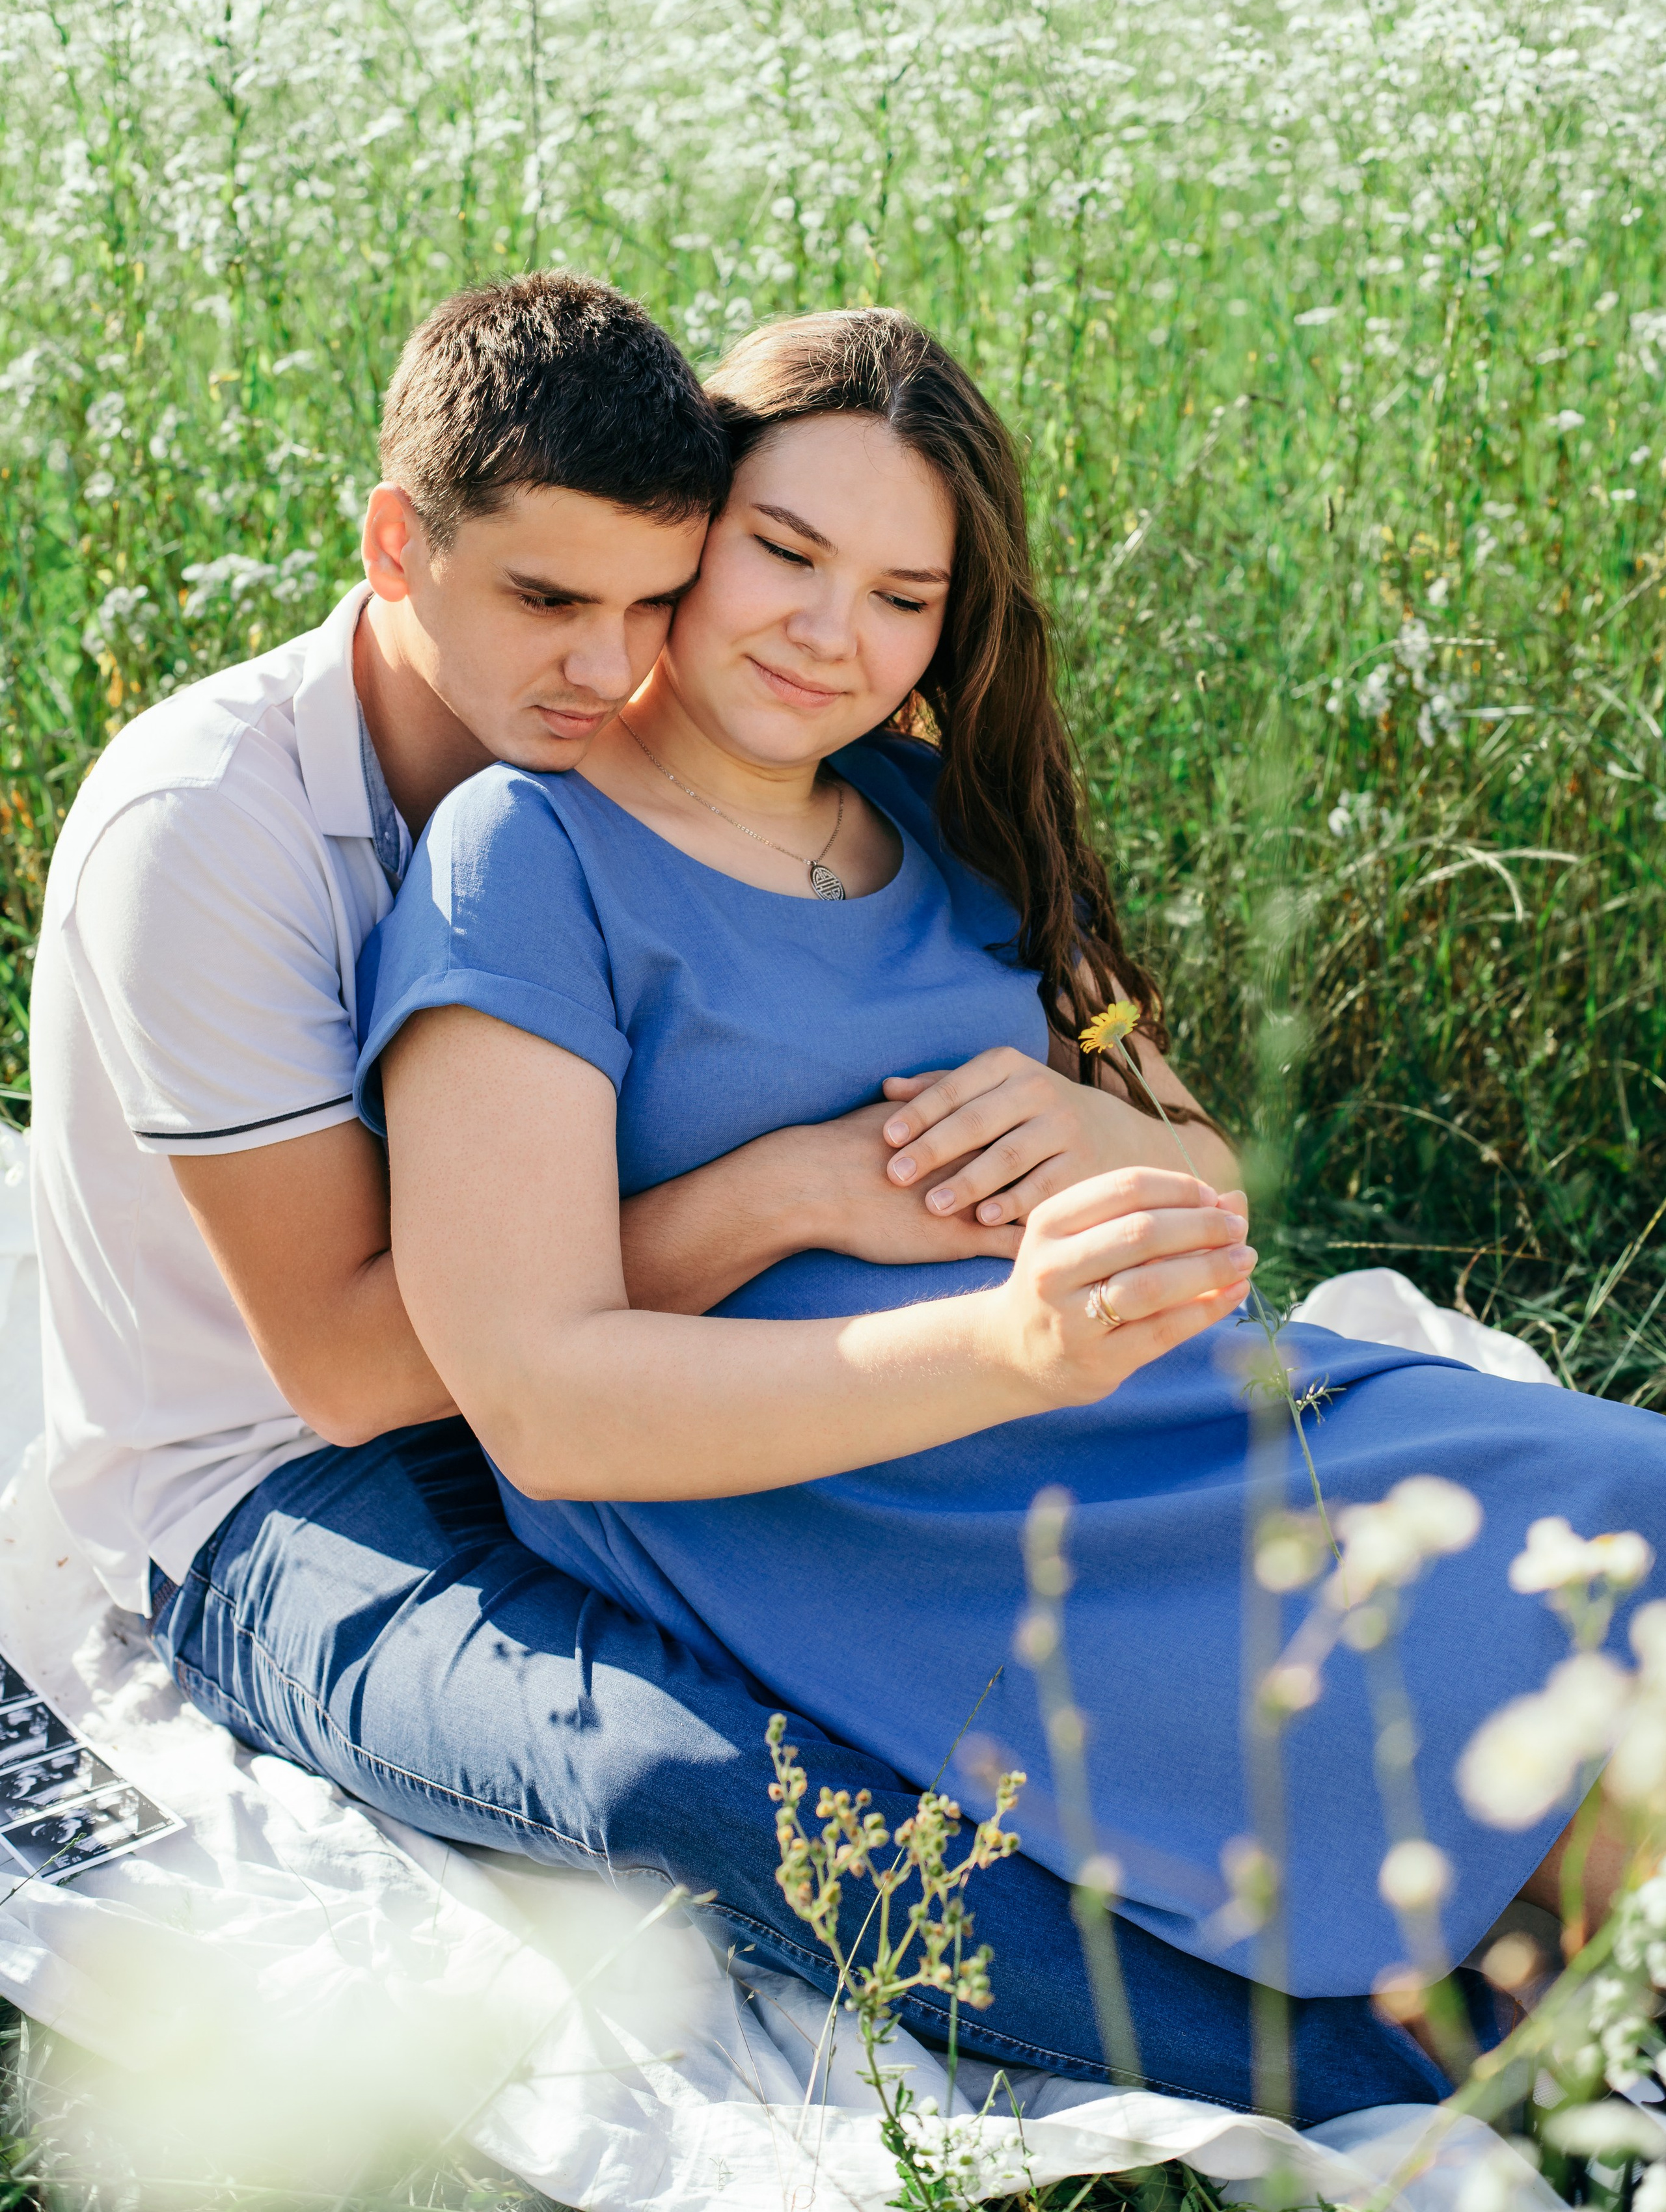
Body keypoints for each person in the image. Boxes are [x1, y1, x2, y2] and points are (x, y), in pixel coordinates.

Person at [34, 271, 1442, 2132]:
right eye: (546, 599)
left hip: (631, 1386)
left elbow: (1129, 1105)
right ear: (396, 545)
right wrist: (781, 1194)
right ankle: (1369, 2060)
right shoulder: (207, 827)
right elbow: (359, 1369)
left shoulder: (712, 787)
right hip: (289, 1486)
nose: (610, 663)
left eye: (651, 597)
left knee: (1030, 1601)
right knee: (669, 1771)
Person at [357, 306, 1665, 2089]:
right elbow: (537, 1400)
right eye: (789, 554)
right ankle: (1534, 2000)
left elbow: (1206, 1175)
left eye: (904, 596)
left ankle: (1582, 1976)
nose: (834, 635)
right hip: (861, 1501)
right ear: (691, 531)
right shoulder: (532, 851)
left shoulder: (946, 816)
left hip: (1152, 1404)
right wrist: (916, 1275)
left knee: (1627, 1503)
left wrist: (1095, 1133)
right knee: (1394, 1668)